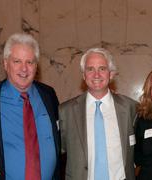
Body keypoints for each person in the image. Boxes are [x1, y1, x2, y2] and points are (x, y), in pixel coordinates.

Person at [0, 33, 60, 180]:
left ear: (36, 66)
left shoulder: (49, 95)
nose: (24, 69)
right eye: (17, 61)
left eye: (30, 62)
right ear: (5, 64)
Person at [59, 47, 138, 180]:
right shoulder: (66, 111)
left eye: (102, 68)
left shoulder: (130, 107)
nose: (96, 75)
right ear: (84, 75)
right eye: (90, 69)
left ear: (111, 74)